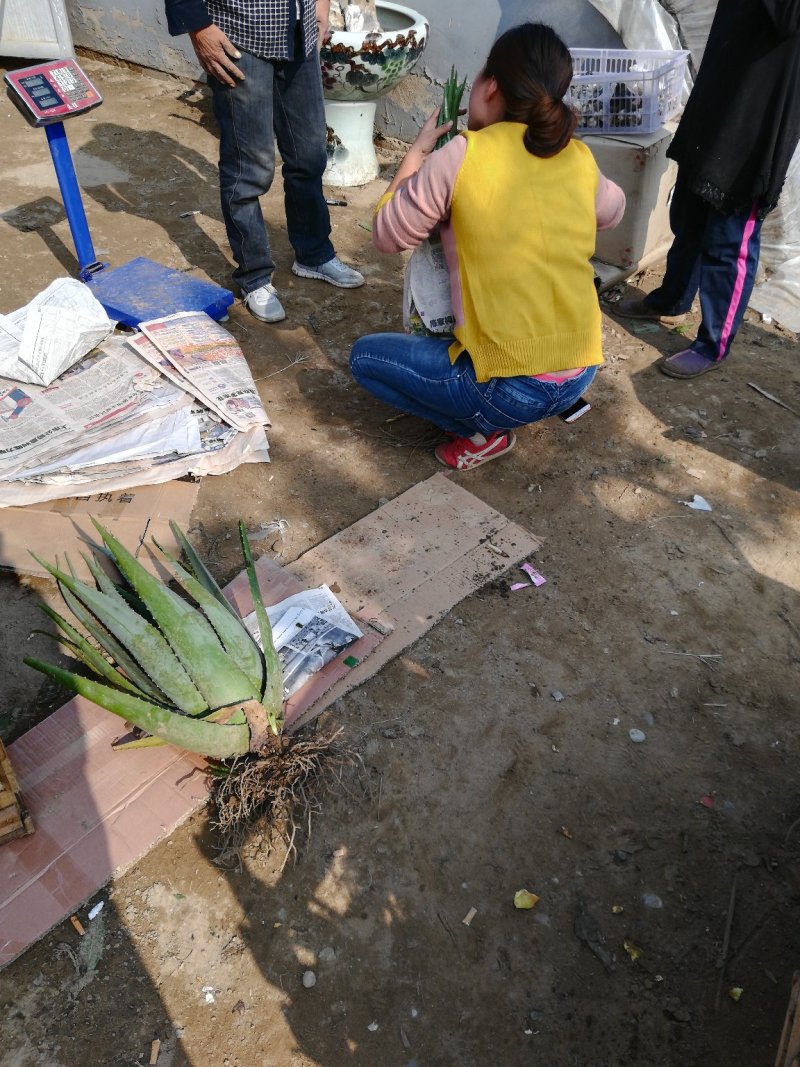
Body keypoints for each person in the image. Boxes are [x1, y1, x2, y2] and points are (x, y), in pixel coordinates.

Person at [348, 23, 625, 471]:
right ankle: (496, 414)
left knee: (365, 358)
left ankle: (481, 433)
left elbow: (386, 233)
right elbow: (613, 212)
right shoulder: (577, 156)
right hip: (579, 371)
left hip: (507, 387)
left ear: (490, 86)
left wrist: (416, 156)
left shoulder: (462, 154)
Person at [615, 0, 800, 379]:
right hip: (719, 94)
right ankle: (673, 296)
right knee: (688, 214)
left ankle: (713, 343)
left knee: (729, 241)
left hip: (759, 118)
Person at [164, 0, 364, 323]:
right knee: (249, 167)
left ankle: (313, 253)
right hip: (240, 34)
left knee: (310, 154)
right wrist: (198, 27)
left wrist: (322, 5)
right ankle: (254, 275)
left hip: (300, 30)